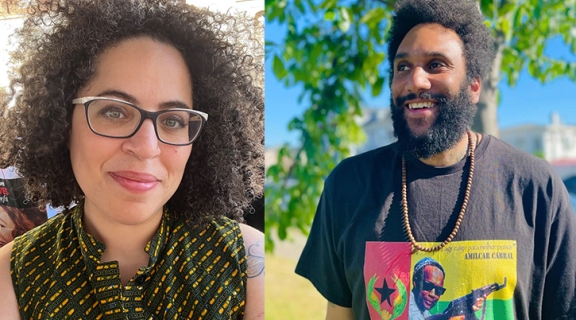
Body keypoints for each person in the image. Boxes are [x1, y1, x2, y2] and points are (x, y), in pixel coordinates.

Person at [295, 0, 576, 319]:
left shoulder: (537, 187)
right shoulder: (347, 185)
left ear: (474, 86)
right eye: (402, 67)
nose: (415, 81)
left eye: (436, 64)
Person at [0, 0, 264, 319]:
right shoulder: (12, 276)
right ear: (62, 125)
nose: (146, 147)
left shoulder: (250, 263)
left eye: (174, 120)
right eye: (114, 111)